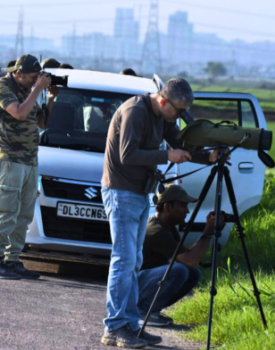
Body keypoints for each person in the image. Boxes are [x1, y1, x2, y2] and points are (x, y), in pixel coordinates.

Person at [100, 78, 218, 348]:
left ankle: (130, 325)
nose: (178, 118)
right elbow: (127, 154)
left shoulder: (162, 115)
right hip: (120, 192)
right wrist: (166, 156)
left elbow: (180, 145)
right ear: (163, 101)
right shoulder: (136, 111)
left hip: (140, 192)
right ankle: (115, 328)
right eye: (177, 111)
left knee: (134, 261)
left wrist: (208, 155)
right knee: (123, 260)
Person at [0, 54, 55, 280]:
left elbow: (42, 122)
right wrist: (37, 89)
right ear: (18, 73)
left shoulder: (31, 89)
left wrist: (51, 97)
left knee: (24, 213)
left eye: (38, 76)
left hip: (30, 160)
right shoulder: (2, 86)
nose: (36, 80)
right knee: (6, 210)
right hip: (9, 158)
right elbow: (19, 112)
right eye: (32, 77)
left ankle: (12, 259)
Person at [138, 185, 222, 327]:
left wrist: (208, 230)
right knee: (180, 270)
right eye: (183, 206)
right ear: (167, 207)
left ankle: (153, 310)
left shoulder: (166, 226)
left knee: (192, 273)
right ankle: (143, 311)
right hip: (133, 285)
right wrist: (208, 232)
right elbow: (191, 260)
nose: (187, 211)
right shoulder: (157, 231)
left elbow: (188, 256)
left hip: (141, 282)